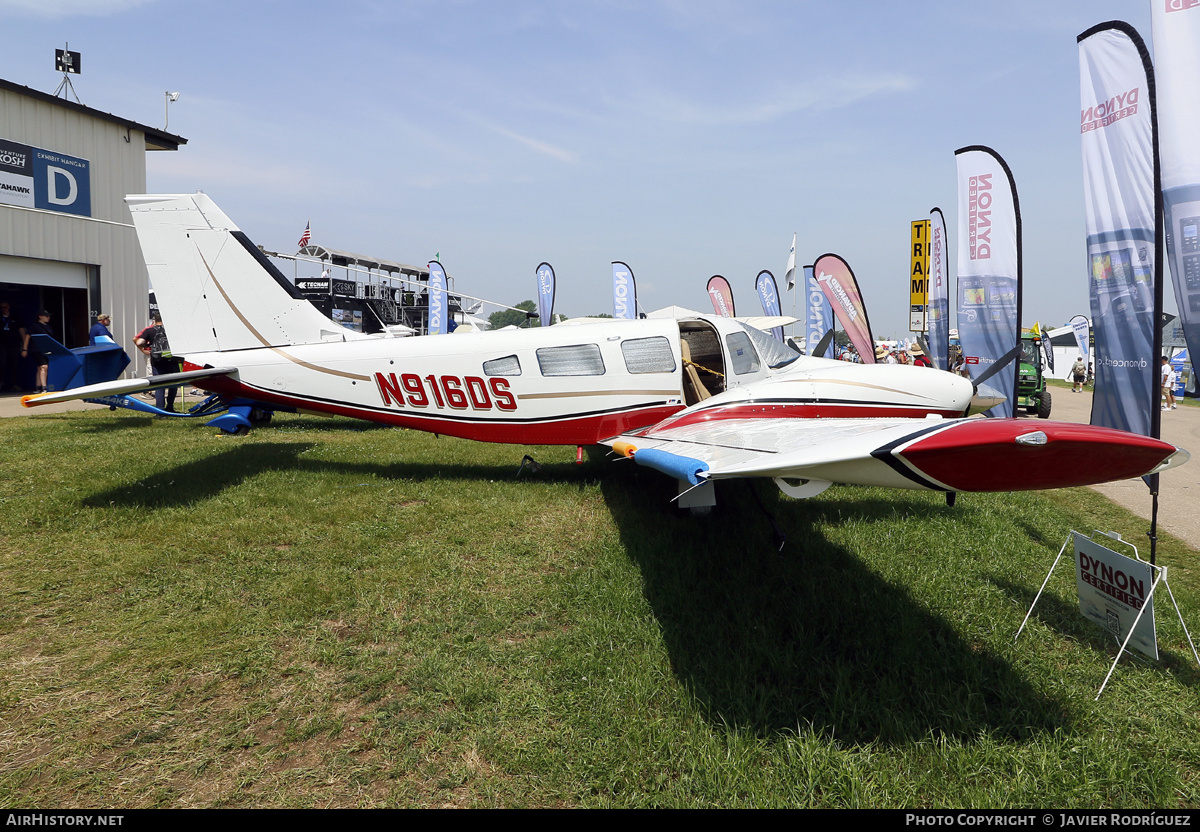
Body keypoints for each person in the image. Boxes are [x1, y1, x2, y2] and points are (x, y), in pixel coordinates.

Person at [134, 313, 182, 412]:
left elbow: (139, 342)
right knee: (173, 385)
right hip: (172, 360)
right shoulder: (172, 330)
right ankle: (170, 407)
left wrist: (146, 347)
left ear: (154, 321)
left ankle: (160, 410)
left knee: (160, 386)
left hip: (158, 362)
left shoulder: (149, 330)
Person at [21, 310, 53, 393]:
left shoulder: (49, 327)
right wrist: (24, 349)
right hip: (36, 349)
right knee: (44, 366)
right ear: (40, 316)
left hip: (46, 349)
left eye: (49, 316)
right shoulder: (34, 326)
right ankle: (44, 387)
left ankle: (38, 387)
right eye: (46, 316)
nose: (48, 318)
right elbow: (27, 338)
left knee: (40, 367)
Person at [0, 300, 25, 392]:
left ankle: (14, 384)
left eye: (5, 307)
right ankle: (1, 382)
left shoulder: (15, 317)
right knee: (2, 363)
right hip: (2, 345)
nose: (3, 309)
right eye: (1, 308)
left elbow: (22, 330)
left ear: (9, 307)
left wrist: (24, 345)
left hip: (14, 344)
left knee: (14, 364)